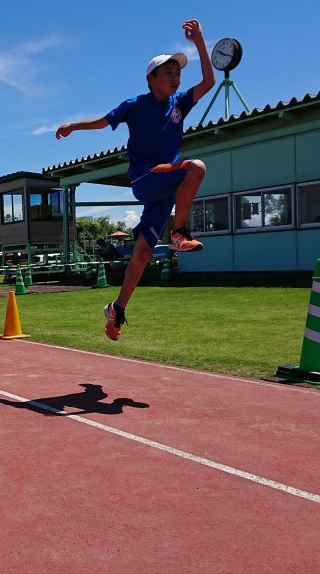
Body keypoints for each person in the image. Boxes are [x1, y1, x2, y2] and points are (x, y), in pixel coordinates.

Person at [55, 19, 214, 341]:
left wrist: (199, 42)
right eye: (167, 73)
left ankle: (116, 311)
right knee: (196, 166)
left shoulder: (179, 103)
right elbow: (102, 121)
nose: (174, 78)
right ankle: (180, 233)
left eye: (178, 73)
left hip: (164, 188)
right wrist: (73, 125)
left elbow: (209, 81)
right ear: (151, 79)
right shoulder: (135, 105)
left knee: (141, 254)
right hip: (145, 176)